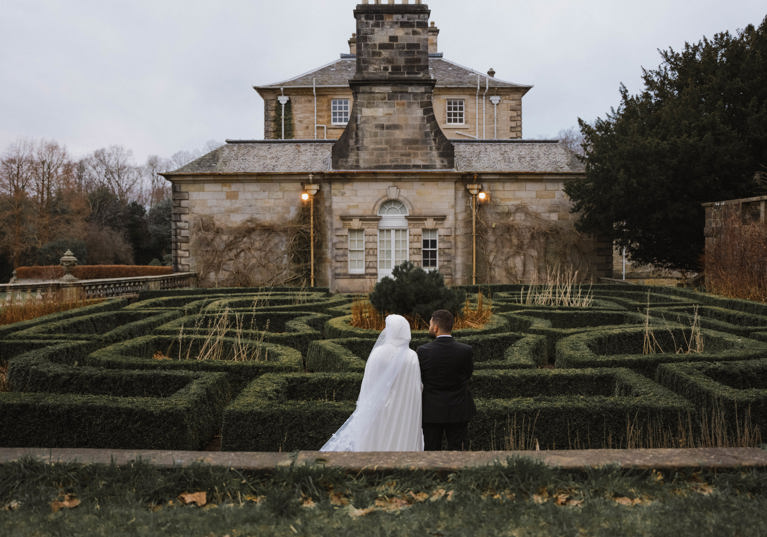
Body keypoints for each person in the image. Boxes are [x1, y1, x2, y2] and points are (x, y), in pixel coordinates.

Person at [320, 314, 424, 451]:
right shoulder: (411, 356)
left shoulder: (378, 354)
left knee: (376, 439)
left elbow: (369, 382)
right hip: (402, 407)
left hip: (378, 406)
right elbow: (415, 388)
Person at [417, 309, 476, 451]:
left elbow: (421, 378)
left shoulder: (423, 351)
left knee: (431, 452)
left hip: (431, 410)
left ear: (436, 328)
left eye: (430, 324)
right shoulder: (466, 350)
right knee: (458, 453)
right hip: (458, 409)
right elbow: (468, 375)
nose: (429, 327)